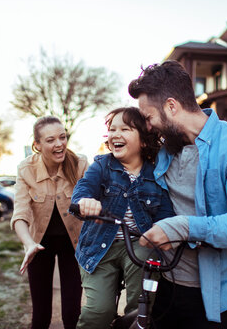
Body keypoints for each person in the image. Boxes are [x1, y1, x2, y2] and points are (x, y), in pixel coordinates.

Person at [128, 60, 227, 328]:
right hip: (164, 283)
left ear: (171, 106)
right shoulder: (163, 150)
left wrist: (181, 227)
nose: (147, 127)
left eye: (148, 118)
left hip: (211, 293)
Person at [72, 107, 175, 329]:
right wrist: (85, 202)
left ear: (144, 141)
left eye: (125, 129)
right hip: (99, 248)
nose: (115, 134)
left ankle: (136, 320)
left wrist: (166, 231)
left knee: (141, 309)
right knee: (98, 312)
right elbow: (84, 189)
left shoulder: (155, 175)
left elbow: (165, 212)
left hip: (139, 244)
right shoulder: (102, 166)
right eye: (112, 129)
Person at [11, 115, 89, 329]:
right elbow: (20, 214)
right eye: (51, 140)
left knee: (72, 312)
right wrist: (29, 245)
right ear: (37, 145)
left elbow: (91, 199)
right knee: (41, 314)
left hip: (72, 245)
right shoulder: (25, 169)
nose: (59, 144)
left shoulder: (80, 164)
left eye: (62, 137)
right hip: (39, 244)